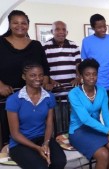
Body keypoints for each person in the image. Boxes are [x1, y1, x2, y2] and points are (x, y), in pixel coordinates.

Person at [0, 10, 50, 148]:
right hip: (6, 98)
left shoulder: (36, 45)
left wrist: (45, 81)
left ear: (28, 25)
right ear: (9, 24)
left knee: (34, 131)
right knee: (9, 138)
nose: (20, 26)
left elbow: (45, 69)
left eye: (23, 23)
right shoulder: (1, 43)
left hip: (34, 98)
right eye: (15, 22)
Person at [6, 61, 66, 169]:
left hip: (42, 138)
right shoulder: (14, 100)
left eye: (40, 75)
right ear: (24, 77)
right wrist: (38, 148)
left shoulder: (49, 97)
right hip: (20, 143)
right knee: (40, 167)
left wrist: (46, 143)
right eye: (32, 75)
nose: (38, 78)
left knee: (60, 161)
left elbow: (49, 123)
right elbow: (15, 134)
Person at [68, 59, 109, 169]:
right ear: (81, 76)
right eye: (87, 74)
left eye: (94, 74)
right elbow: (85, 119)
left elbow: (106, 114)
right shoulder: (74, 94)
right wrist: (108, 131)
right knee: (103, 154)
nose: (91, 77)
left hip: (95, 128)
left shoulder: (102, 91)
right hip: (78, 130)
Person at [43, 21, 81, 134]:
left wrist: (78, 77)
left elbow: (79, 64)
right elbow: (44, 68)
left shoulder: (74, 45)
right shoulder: (45, 47)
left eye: (63, 29)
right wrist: (50, 80)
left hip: (71, 92)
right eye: (57, 29)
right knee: (57, 124)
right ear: (52, 32)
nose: (61, 32)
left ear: (67, 32)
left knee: (72, 123)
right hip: (54, 93)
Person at [81, 13, 109, 91]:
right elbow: (85, 64)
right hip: (93, 85)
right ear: (93, 28)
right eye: (99, 27)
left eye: (104, 26)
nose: (103, 29)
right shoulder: (86, 41)